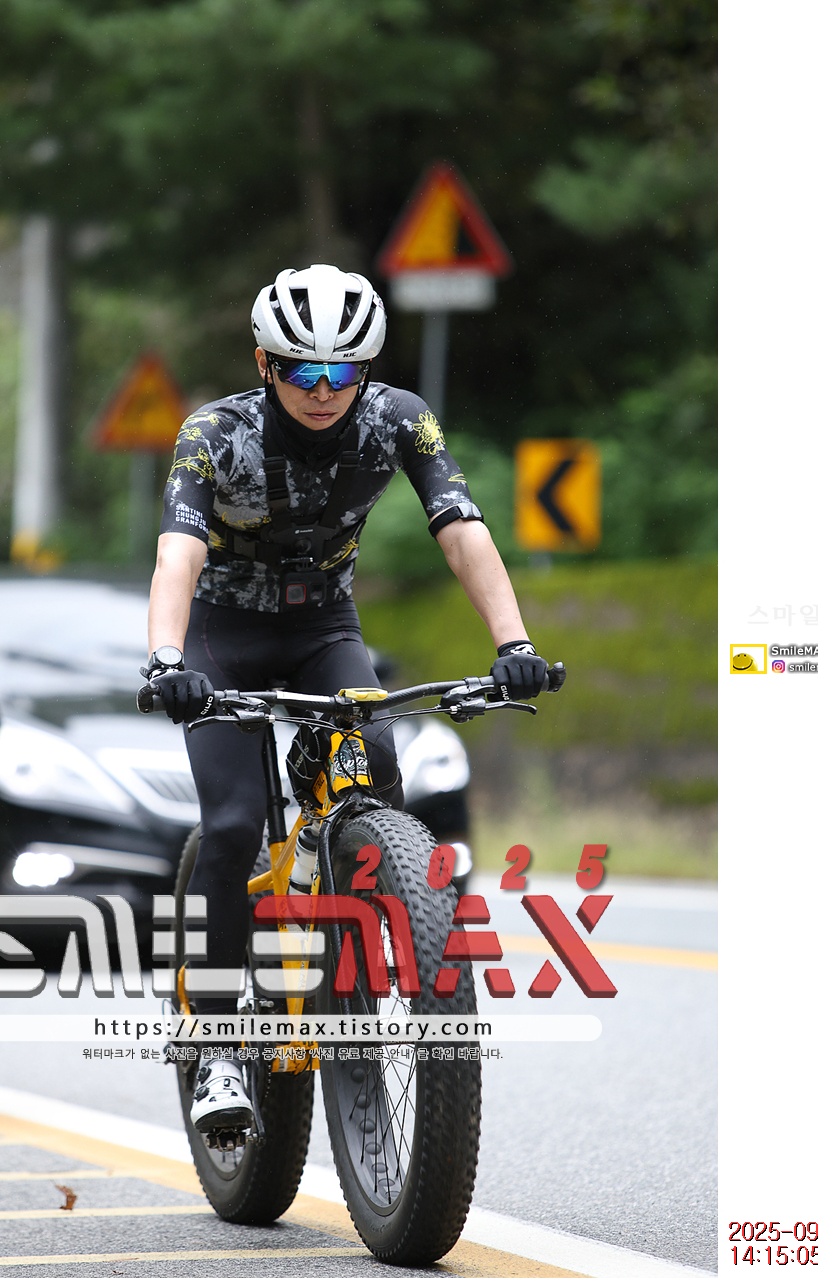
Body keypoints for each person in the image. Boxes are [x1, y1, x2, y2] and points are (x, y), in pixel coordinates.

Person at [144, 264, 549, 1133]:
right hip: (221, 631)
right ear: (265, 363)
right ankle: (215, 1048)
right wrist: (166, 658)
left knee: (380, 770)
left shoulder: (400, 418)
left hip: (323, 625)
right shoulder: (213, 432)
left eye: (344, 370)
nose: (324, 389)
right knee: (231, 825)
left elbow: (461, 526)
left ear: (367, 369)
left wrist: (514, 643)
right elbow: (179, 550)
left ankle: (357, 953)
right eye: (303, 369)